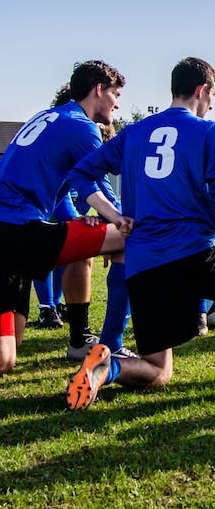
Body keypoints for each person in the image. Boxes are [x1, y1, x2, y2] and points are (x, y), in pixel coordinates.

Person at [65, 57, 215, 409]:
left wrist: (114, 216)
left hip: (144, 265)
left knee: (158, 370)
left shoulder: (134, 133)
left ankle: (107, 368)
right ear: (201, 90)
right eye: (212, 97)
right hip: (194, 255)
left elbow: (80, 175)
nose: (212, 105)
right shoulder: (212, 131)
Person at [0, 60, 130, 375]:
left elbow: (50, 189)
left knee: (8, 355)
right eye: (115, 93)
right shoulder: (82, 127)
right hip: (15, 233)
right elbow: (95, 183)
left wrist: (88, 224)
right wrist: (119, 220)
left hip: (14, 233)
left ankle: (80, 339)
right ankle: (104, 343)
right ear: (99, 89)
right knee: (130, 238)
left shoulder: (50, 116)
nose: (117, 102)